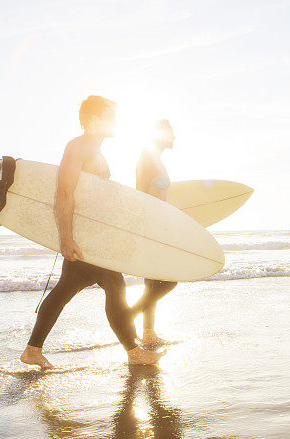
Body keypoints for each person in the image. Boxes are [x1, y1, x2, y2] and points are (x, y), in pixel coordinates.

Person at [20, 95, 164, 369]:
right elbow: (64, 192)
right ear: (95, 119)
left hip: (91, 235)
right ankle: (134, 351)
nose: (116, 122)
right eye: (111, 116)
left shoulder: (94, 149)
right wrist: (67, 237)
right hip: (84, 238)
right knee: (115, 285)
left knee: (64, 290)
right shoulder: (79, 147)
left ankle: (32, 350)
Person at [128, 120, 179, 344]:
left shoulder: (156, 159)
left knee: (154, 283)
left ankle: (148, 333)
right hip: (150, 229)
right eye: (171, 134)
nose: (174, 137)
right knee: (169, 281)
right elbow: (139, 195)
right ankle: (126, 318)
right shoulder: (148, 159)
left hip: (159, 229)